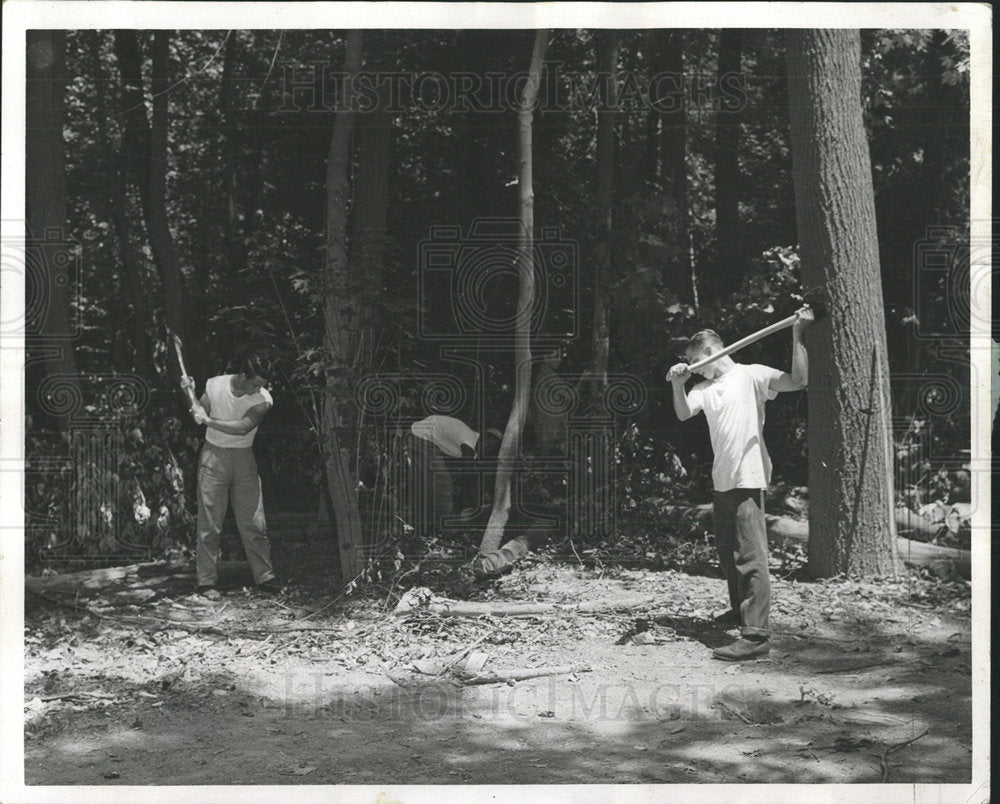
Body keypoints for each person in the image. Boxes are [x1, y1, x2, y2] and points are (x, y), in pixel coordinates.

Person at [667, 306, 813, 661]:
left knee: (750, 555)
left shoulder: (750, 376)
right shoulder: (704, 387)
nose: (693, 366)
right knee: (729, 554)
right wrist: (678, 383)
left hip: (747, 476)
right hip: (722, 479)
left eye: (694, 360)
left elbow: (798, 381)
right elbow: (684, 412)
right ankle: (740, 612)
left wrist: (798, 334)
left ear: (710, 353)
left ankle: (756, 635)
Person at [180, 349, 281, 599]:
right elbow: (197, 413)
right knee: (210, 522)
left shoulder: (263, 399)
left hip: (244, 459)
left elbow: (242, 428)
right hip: (213, 457)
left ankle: (265, 577)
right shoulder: (215, 385)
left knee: (253, 521)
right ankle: (206, 582)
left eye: (262, 386)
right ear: (244, 375)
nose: (258, 390)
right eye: (255, 384)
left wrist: (208, 421)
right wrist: (188, 392)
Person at [406, 415, 502, 537]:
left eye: (490, 449)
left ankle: (424, 525)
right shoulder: (469, 439)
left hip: (420, 436)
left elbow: (467, 478)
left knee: (428, 484)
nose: (486, 448)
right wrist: (477, 504)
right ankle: (448, 528)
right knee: (443, 483)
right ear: (483, 435)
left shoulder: (472, 451)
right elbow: (468, 474)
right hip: (420, 435)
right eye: (487, 443)